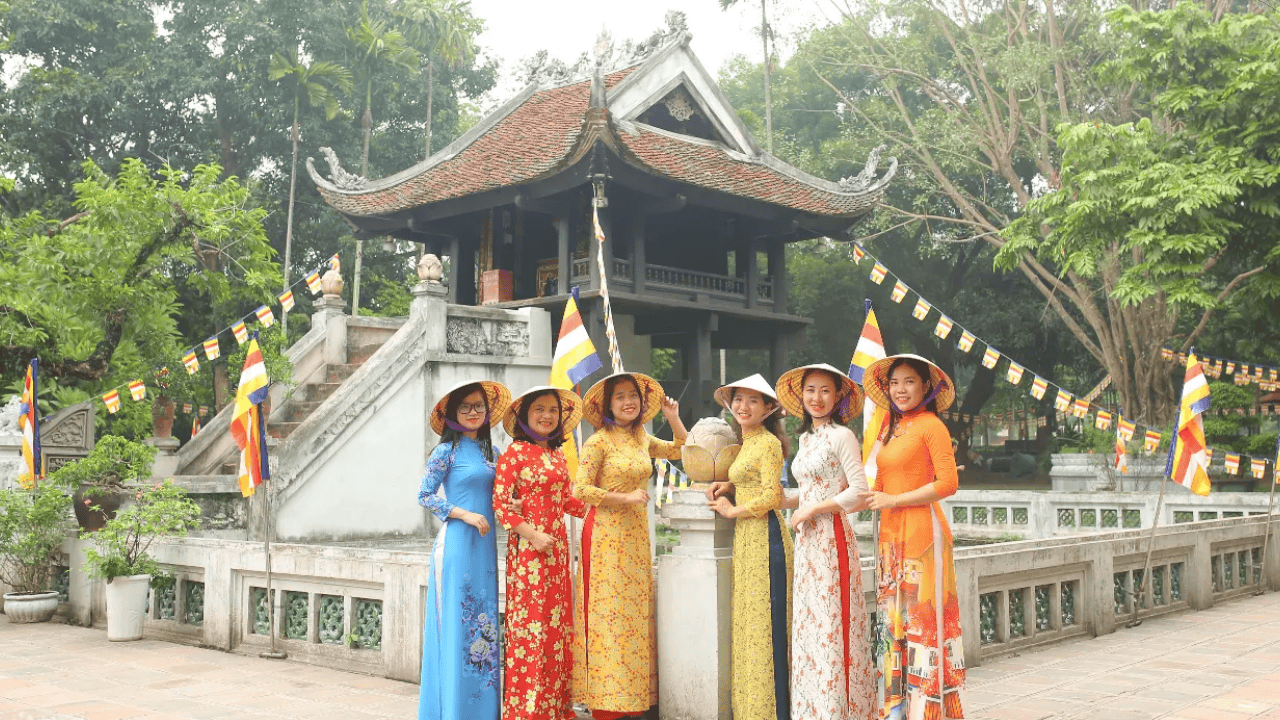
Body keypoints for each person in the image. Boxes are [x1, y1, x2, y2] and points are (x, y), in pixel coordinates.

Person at [572, 371, 688, 720]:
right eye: (620, 396)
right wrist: (622, 497)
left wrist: (673, 418)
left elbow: (681, 450)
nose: (628, 402)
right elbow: (580, 490)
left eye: (633, 396)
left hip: (636, 537)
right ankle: (607, 703)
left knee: (634, 615)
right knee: (608, 615)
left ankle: (631, 697)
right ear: (608, 405)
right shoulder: (598, 442)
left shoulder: (640, 437)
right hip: (605, 536)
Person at [859, 354, 966, 719]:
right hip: (891, 539)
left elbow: (948, 483)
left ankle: (931, 713)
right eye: (894, 383)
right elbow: (878, 487)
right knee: (895, 630)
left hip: (923, 537)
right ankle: (897, 712)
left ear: (925, 387)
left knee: (924, 629)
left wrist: (894, 499)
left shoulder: (931, 425)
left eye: (908, 382)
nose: (900, 389)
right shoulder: (892, 429)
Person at [775, 364, 875, 720]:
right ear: (801, 396)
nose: (816, 398)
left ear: (838, 397)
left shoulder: (841, 437)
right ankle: (812, 710)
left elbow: (859, 492)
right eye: (810, 390)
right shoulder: (806, 439)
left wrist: (810, 510)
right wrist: (774, 498)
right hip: (807, 544)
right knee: (809, 625)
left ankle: (841, 711)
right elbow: (805, 491)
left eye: (825, 391)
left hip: (831, 538)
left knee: (832, 625)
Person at [418, 380, 511, 720]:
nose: (474, 412)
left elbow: (502, 497)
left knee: (483, 625)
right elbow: (425, 496)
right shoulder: (446, 452)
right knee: (458, 624)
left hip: (484, 549)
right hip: (457, 544)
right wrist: (466, 514)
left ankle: (481, 712)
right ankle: (453, 711)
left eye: (479, 407)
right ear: (454, 414)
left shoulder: (493, 453)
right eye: (466, 407)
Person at [493, 386, 588, 720]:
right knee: (532, 628)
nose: (547, 416)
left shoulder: (557, 455)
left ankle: (555, 707)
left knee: (557, 629)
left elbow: (565, 500)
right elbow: (502, 506)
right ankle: (528, 711)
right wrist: (533, 536)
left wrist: (599, 504)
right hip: (529, 556)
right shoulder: (515, 452)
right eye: (539, 410)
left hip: (558, 552)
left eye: (552, 411)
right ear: (524, 416)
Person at [706, 373, 794, 720]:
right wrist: (727, 485)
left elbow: (774, 495)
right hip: (747, 538)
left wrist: (732, 509)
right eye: (739, 399)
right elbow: (753, 480)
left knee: (764, 626)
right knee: (748, 624)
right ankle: (749, 709)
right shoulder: (749, 442)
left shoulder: (769, 442)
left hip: (765, 538)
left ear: (769, 408)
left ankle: (770, 711)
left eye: (753, 401)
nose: (744, 406)